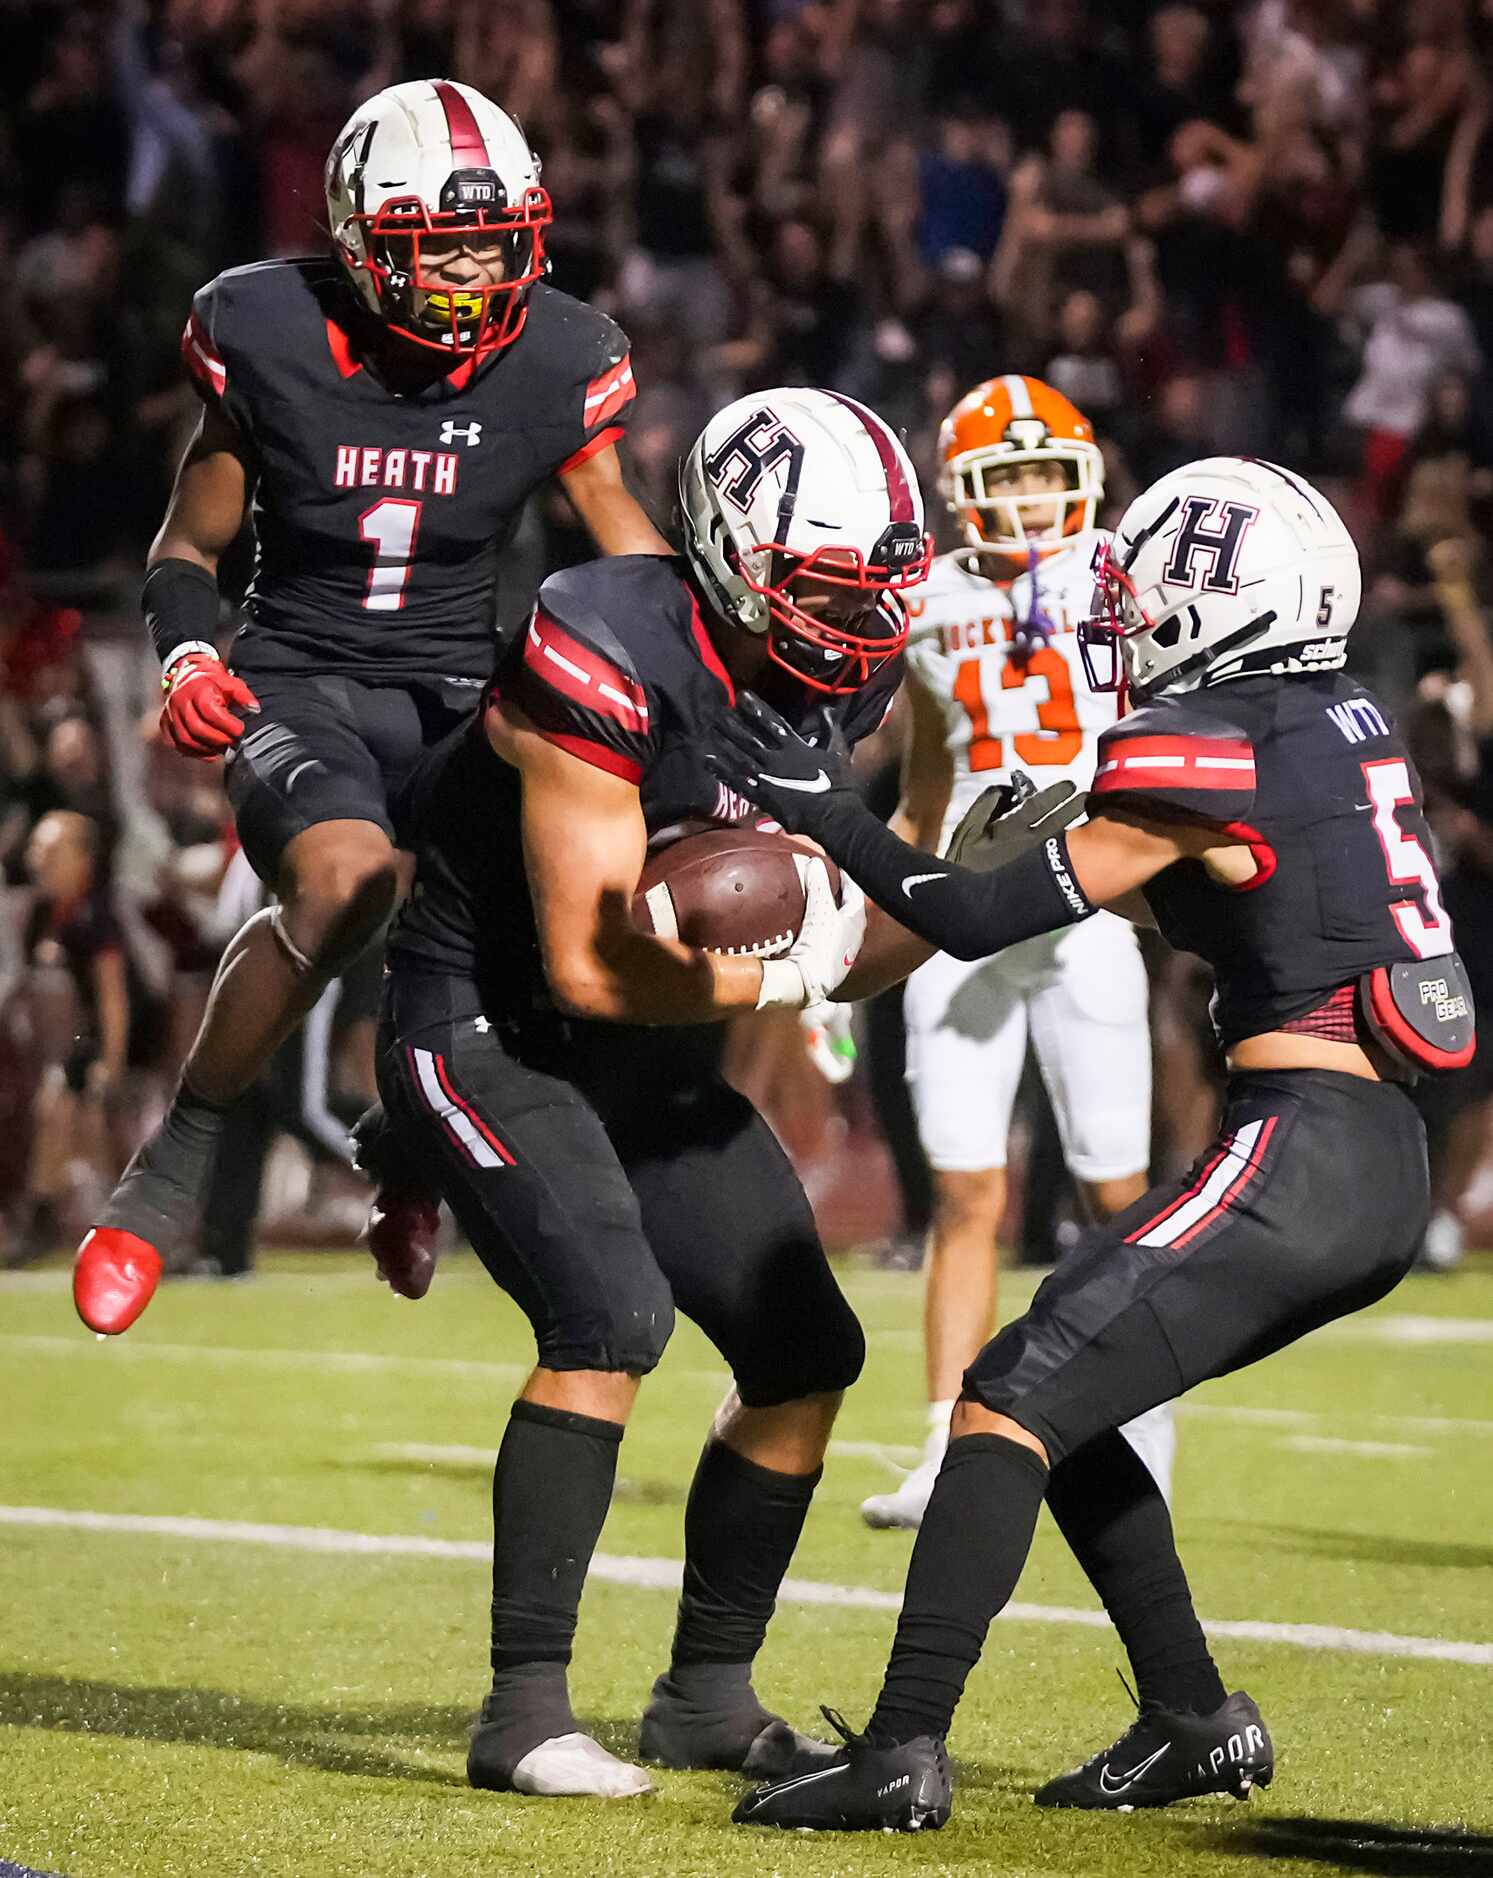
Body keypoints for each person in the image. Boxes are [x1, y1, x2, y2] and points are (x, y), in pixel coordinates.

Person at [709, 457, 1471, 1830]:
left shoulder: (1218, 741)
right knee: (1059, 1387)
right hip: (1354, 1145)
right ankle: (1190, 1716)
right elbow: (1240, 898)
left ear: (1221, 602)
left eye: (1152, 589)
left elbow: (977, 915)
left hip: (1303, 1143)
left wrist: (824, 805)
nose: (1124, 615)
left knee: (1007, 1396)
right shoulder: (1335, 718)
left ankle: (901, 1749)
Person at [362, 387, 931, 1800]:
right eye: (823, 587)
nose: (856, 626)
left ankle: (705, 1693)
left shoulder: (846, 674)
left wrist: (979, 856)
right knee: (611, 1313)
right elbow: (591, 964)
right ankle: (523, 1711)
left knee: (805, 1347)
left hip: (648, 1037)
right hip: (490, 1011)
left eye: (877, 590)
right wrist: (795, 968)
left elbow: (849, 944)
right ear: (734, 552)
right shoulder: (602, 639)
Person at [72, 78, 671, 1336]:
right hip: (298, 678)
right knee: (347, 882)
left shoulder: (557, 354)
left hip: (465, 697)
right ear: (355, 239)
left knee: (562, 938)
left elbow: (624, 548)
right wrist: (187, 657)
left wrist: (711, 673)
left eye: (490, 242)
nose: (467, 273)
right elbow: (189, 544)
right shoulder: (267, 329)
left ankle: (407, 1148)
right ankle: (164, 1174)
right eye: (433, 244)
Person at [863, 374, 1171, 1533]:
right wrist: (874, 905)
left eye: (1050, 477)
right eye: (1012, 479)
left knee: (1114, 1191)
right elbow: (926, 784)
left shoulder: (1117, 583)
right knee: (962, 1190)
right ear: (963, 493)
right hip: (964, 905)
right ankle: (947, 1440)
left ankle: (1136, 1428)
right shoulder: (930, 600)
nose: (1036, 501)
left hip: (1084, 899)